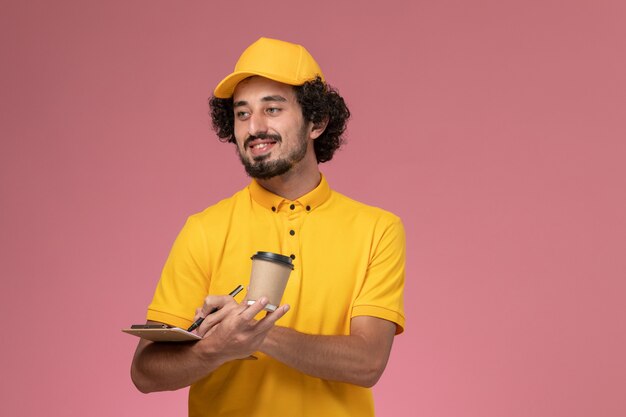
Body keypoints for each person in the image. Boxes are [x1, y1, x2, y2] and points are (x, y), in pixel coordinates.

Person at [131, 37, 406, 417]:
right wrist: (217, 346)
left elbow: (367, 363)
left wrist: (254, 331)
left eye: (272, 109)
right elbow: (145, 372)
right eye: (242, 114)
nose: (254, 127)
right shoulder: (204, 229)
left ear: (317, 121)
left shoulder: (377, 229)